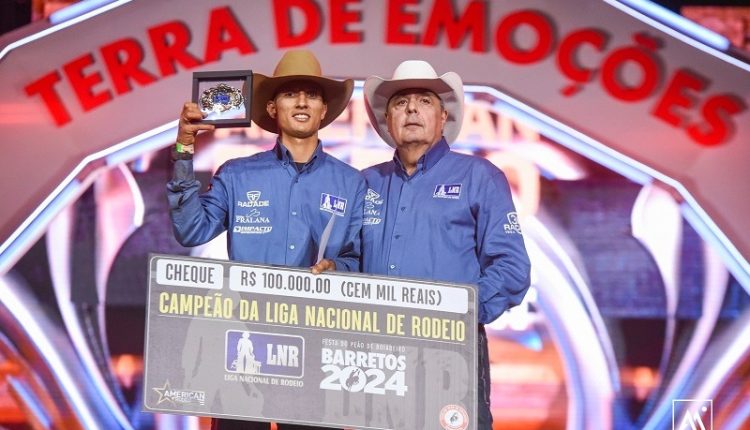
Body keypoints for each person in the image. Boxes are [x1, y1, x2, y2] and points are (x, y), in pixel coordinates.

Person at [167, 50, 363, 430]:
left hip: (317, 347)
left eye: (312, 94)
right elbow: (191, 231)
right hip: (242, 348)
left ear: (325, 109)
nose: (303, 102)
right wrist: (183, 149)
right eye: (291, 94)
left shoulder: (351, 182)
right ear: (273, 107)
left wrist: (337, 267)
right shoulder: (238, 174)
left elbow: (358, 259)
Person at [361, 60, 532, 429]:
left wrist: (457, 315)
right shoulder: (364, 183)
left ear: (442, 119)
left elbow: (512, 269)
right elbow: (348, 260)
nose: (410, 109)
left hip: (451, 354)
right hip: (375, 357)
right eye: (400, 102)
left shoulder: (479, 177)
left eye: (424, 100)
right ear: (386, 120)